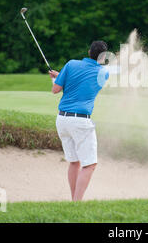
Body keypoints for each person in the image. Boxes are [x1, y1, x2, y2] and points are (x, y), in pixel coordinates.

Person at [48, 41, 109, 201]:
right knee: (89, 165)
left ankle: (73, 202)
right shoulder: (104, 73)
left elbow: (56, 90)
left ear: (89, 51)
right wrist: (63, 76)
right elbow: (85, 83)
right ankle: (77, 203)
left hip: (62, 120)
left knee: (74, 162)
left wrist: (59, 77)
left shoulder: (71, 64)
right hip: (81, 122)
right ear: (103, 58)